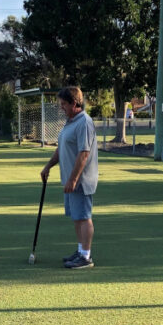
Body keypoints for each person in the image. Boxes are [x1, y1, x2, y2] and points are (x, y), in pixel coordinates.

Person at [40, 86, 98, 269]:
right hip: (70, 179)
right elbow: (61, 148)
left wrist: (74, 179)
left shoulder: (84, 122)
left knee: (83, 216)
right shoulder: (70, 122)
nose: (61, 108)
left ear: (74, 103)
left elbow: (84, 154)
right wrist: (48, 166)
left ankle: (86, 256)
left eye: (64, 104)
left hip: (81, 180)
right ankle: (80, 250)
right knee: (76, 216)